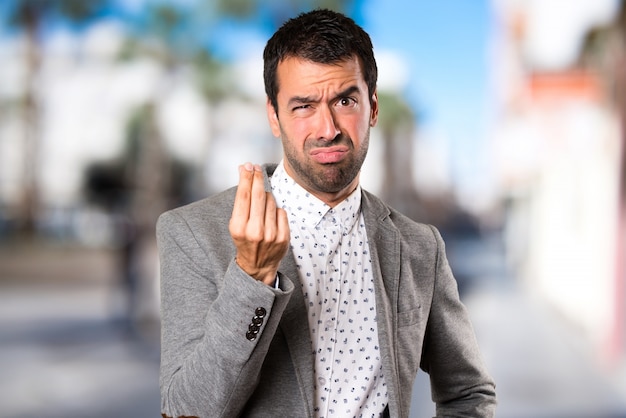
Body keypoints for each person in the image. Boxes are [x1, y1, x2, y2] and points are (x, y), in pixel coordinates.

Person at [157, 8, 496, 418]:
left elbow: (467, 391)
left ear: (372, 107)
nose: (328, 128)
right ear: (274, 115)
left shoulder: (420, 248)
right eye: (303, 106)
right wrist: (252, 278)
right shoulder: (191, 233)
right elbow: (184, 411)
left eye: (345, 100)